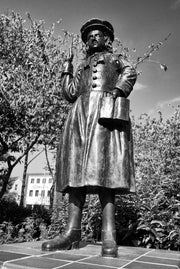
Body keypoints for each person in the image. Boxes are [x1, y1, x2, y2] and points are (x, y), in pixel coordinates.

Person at [42, 18, 137, 257]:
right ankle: (72, 232)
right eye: (89, 36)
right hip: (79, 116)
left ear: (108, 39)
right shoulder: (83, 65)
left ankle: (108, 234)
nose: (93, 38)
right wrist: (67, 68)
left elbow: (130, 71)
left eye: (98, 35)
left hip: (103, 113)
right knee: (76, 172)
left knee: (106, 171)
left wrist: (116, 92)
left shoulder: (116, 59)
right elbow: (70, 92)